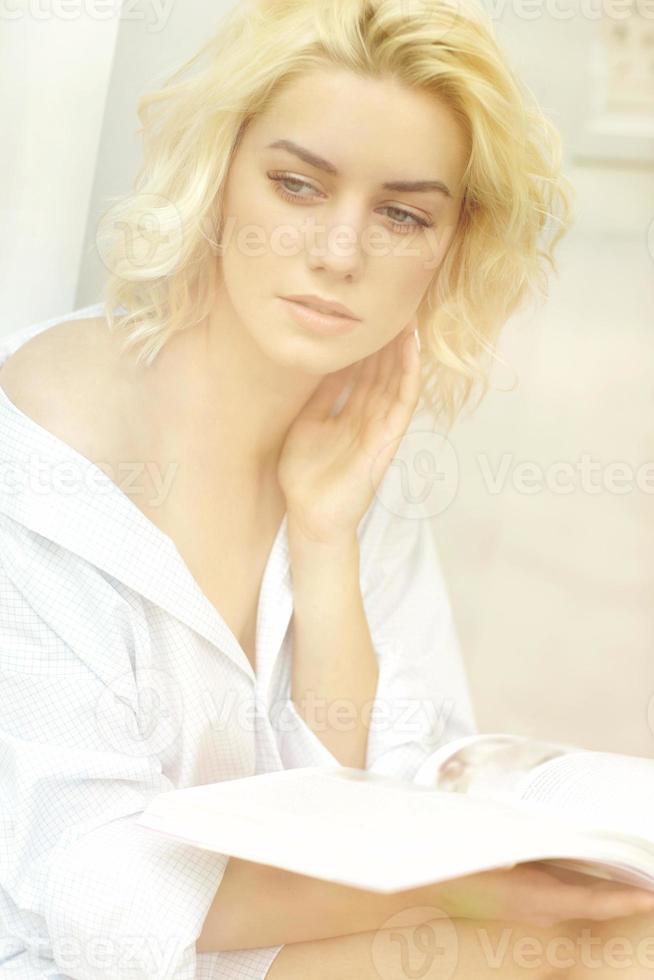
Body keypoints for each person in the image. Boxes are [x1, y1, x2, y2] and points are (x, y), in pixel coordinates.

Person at [1, 0, 653, 978]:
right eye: (298, 185)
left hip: (275, 938)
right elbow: (95, 892)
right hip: (78, 958)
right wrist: (458, 895)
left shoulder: (352, 439)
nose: (340, 253)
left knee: (621, 935)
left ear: (450, 243)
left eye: (401, 213)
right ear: (217, 174)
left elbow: (387, 780)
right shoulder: (40, 464)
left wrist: (326, 538)